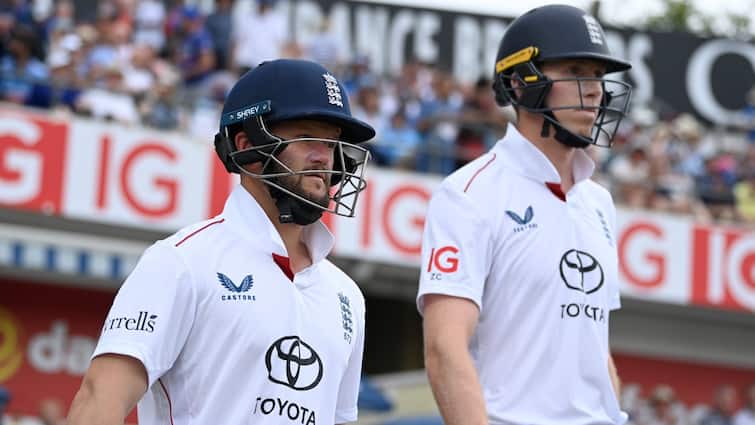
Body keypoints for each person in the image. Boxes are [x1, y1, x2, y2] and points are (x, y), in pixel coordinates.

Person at [68, 59, 375, 425]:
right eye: (307, 136)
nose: (324, 156)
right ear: (248, 145)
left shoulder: (346, 296)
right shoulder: (182, 262)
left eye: (331, 142)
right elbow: (98, 401)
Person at [417, 5, 633, 425]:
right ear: (521, 82)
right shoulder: (468, 194)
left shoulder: (599, 203)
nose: (595, 91)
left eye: (598, 76)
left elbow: (596, 350)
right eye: (576, 71)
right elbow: (444, 349)